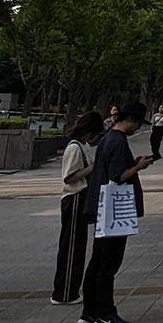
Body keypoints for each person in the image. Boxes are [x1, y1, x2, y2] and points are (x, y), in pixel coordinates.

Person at [80, 99, 149, 323]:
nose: (137, 128)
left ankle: (88, 312)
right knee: (108, 264)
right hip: (115, 211)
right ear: (130, 120)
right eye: (137, 124)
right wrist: (138, 167)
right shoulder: (118, 142)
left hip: (100, 207)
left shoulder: (106, 139)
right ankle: (106, 314)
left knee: (97, 261)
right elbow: (119, 175)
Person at [51, 111, 104, 306]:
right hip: (74, 197)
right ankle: (64, 292)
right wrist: (93, 167)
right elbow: (70, 177)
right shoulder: (74, 148)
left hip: (82, 197)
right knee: (70, 247)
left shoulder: (85, 146)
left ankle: (71, 289)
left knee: (78, 246)